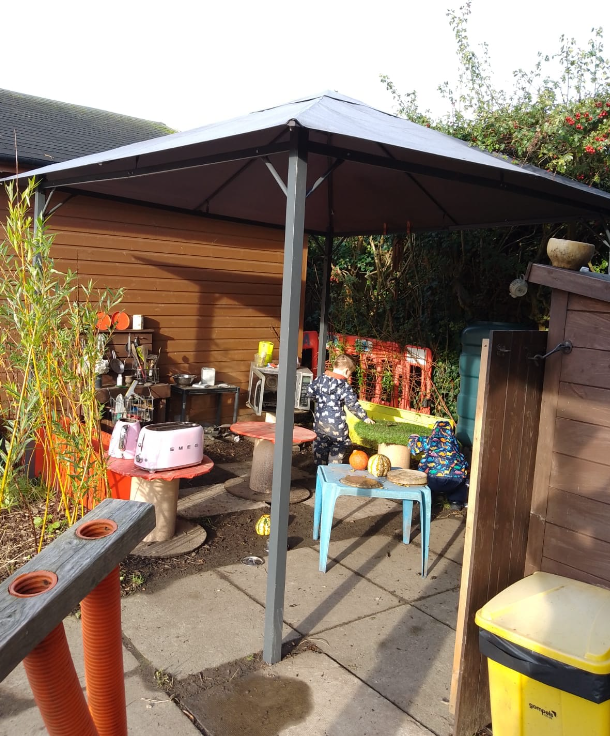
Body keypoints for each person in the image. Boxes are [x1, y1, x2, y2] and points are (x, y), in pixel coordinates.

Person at [307, 354, 374, 465]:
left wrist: (319, 400)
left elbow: (309, 392)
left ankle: (320, 471)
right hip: (337, 428)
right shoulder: (344, 386)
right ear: (347, 371)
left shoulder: (319, 380)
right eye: (350, 374)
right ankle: (333, 469)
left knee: (319, 449)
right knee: (337, 449)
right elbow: (352, 405)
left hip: (320, 425)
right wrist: (364, 417)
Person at [408, 420, 469, 511]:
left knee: (426, 480)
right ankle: (456, 501)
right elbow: (464, 463)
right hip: (454, 481)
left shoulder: (429, 440)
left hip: (430, 479)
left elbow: (413, 448)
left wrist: (413, 436)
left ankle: (427, 498)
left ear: (434, 430)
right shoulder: (455, 445)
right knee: (463, 479)